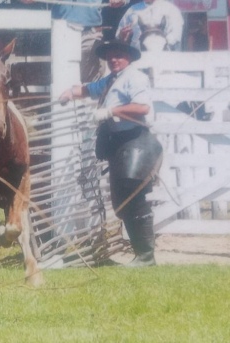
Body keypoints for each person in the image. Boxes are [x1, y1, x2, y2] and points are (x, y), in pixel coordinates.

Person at [59, 39, 161, 267]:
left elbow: (142, 107)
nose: (114, 59)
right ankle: (141, 255)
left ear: (129, 58)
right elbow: (87, 89)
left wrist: (110, 111)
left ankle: (146, 256)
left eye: (119, 55)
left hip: (136, 139)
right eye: (111, 56)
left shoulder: (135, 77)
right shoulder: (110, 80)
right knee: (120, 201)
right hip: (118, 144)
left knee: (134, 197)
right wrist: (70, 93)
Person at [21, 0, 127, 83]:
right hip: (62, 31)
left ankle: (88, 107)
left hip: (91, 31)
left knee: (91, 75)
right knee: (63, 75)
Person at [115, 0, 184, 51]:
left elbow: (176, 35)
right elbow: (119, 34)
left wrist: (157, 45)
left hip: (164, 56)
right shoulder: (132, 10)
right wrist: (122, 35)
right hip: (138, 57)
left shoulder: (171, 9)